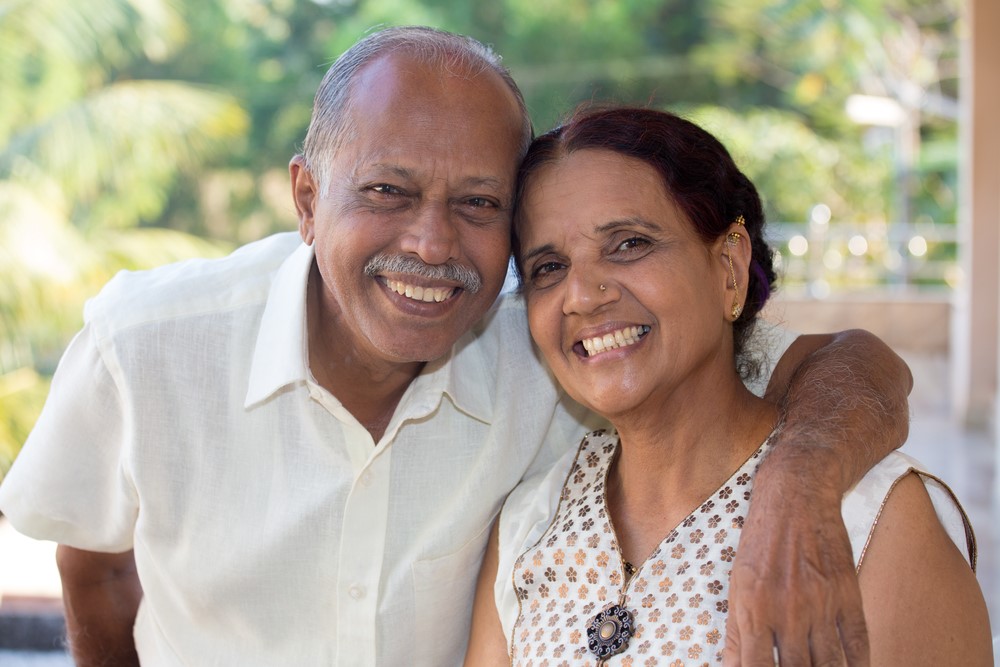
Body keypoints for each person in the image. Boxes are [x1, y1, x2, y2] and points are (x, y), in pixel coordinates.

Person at [0, 26, 914, 667]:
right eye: (388, 191)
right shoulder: (146, 347)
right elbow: (94, 560)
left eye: (479, 204)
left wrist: (798, 481)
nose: (432, 246)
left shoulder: (561, 339)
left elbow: (850, 363)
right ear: (309, 199)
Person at [464, 106, 994, 666]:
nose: (583, 295)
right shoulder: (529, 524)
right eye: (549, 267)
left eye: (629, 243)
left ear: (729, 269)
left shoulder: (867, 518)